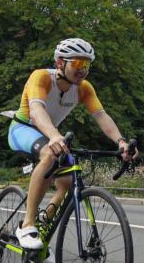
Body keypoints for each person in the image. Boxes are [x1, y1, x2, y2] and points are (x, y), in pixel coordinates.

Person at [7, 38, 132, 250]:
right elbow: (37, 112)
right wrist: (55, 136)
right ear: (59, 63)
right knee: (49, 154)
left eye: (87, 65)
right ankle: (27, 225)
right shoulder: (41, 77)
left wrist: (121, 142)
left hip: (50, 133)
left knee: (66, 181)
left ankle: (43, 224)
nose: (82, 70)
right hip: (23, 129)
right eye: (77, 64)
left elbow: (101, 116)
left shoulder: (84, 88)